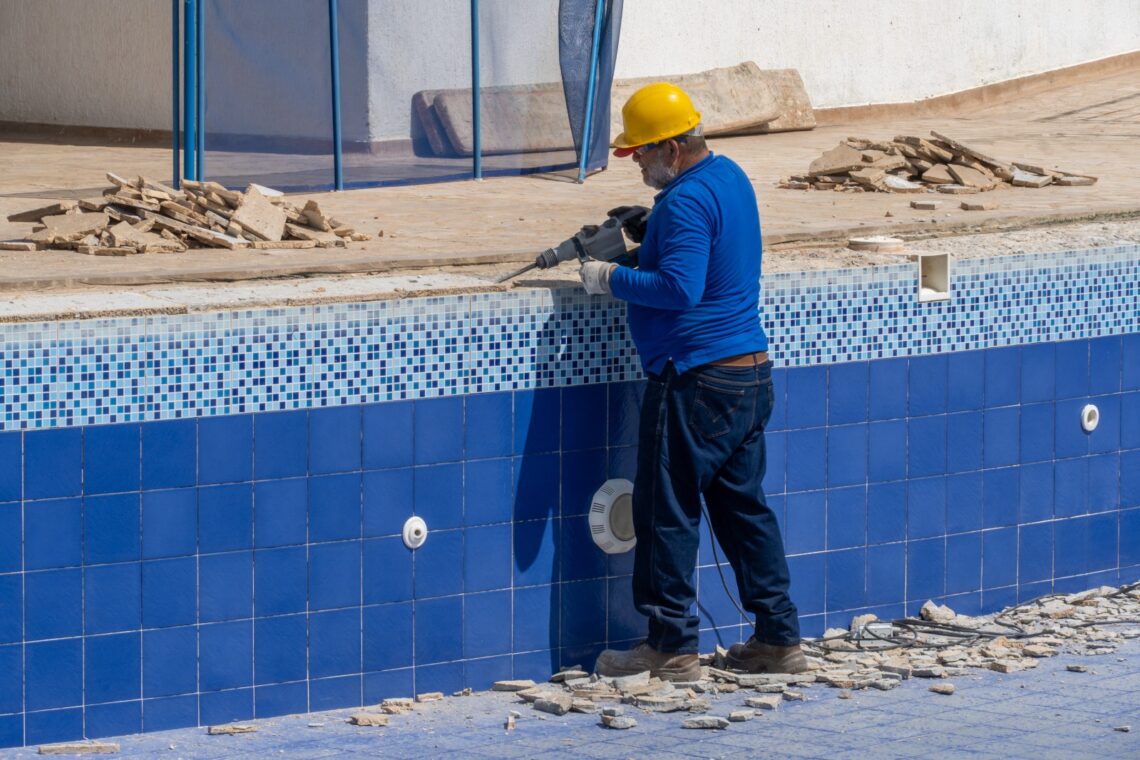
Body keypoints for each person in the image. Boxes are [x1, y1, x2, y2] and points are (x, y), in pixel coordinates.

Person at [580, 83, 806, 681]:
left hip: (696, 380)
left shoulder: (682, 204)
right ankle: (779, 640)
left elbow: (681, 289)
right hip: (749, 375)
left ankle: (670, 646)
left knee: (666, 511)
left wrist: (608, 277)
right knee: (743, 512)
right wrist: (649, 232)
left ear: (674, 147)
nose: (639, 166)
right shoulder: (728, 177)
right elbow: (706, 244)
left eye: (643, 155)